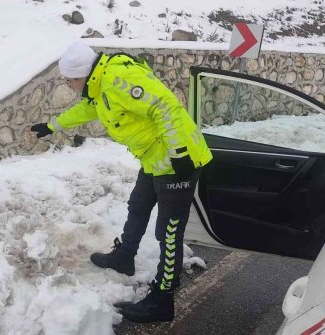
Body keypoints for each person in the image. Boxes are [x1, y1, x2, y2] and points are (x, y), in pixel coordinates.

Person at [30, 41, 212, 323]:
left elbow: (165, 106)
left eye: (69, 81)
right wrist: (52, 126)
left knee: (169, 231)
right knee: (138, 205)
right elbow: (89, 110)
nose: (68, 85)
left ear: (81, 74)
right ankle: (125, 256)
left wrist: (180, 153)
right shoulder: (100, 86)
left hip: (177, 160)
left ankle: (162, 299)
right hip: (155, 158)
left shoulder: (118, 79)